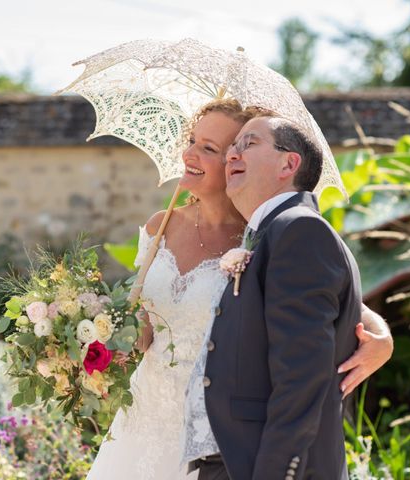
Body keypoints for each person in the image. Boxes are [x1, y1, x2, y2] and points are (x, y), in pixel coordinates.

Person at [87, 100, 392, 480]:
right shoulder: (160, 227)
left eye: (211, 148)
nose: (191, 154)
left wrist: (381, 336)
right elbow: (145, 319)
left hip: (225, 433)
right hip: (147, 413)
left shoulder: (263, 236)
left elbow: (328, 305)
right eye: (193, 141)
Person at [184, 113, 364, 480]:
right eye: (232, 146)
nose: (232, 155)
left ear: (289, 163)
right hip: (232, 462)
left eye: (248, 143)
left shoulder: (299, 229)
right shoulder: (273, 232)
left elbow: (302, 375)